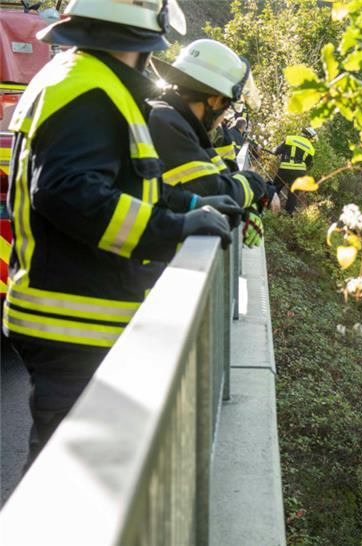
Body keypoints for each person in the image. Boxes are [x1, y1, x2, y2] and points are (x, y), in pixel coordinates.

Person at [2, 0, 242, 462]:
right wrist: (173, 228)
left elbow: (127, 182)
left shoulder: (79, 79)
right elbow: (69, 193)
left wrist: (191, 204)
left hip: (70, 318)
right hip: (73, 323)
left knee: (80, 468)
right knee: (72, 476)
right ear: (141, 37)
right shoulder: (89, 90)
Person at [149, 39, 276, 247]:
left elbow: (222, 175)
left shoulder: (181, 122)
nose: (223, 118)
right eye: (227, 107)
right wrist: (257, 182)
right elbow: (215, 192)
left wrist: (247, 207)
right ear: (215, 100)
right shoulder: (166, 122)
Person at [273, 127, 317, 214]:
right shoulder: (311, 148)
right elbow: (308, 164)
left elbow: (277, 151)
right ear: (309, 137)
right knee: (293, 194)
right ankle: (287, 214)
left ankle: (266, 205)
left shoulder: (290, 139)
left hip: (285, 169)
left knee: (275, 188)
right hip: (299, 173)